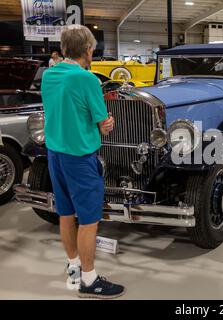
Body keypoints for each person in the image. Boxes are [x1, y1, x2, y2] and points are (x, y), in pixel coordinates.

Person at [41, 24, 125, 299]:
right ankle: (89, 281)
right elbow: (103, 123)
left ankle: (74, 267)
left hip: (55, 155)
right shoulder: (87, 79)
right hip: (79, 156)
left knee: (65, 214)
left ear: (64, 48)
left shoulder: (49, 75)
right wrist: (106, 124)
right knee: (89, 220)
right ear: (88, 49)